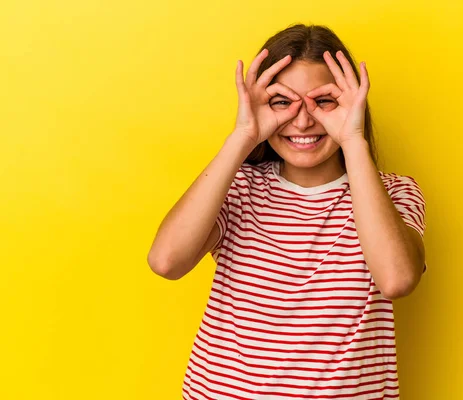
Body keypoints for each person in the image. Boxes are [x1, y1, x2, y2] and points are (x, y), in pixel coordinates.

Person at [148, 23, 427, 400]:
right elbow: (166, 261)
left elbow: (396, 280)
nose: (302, 121)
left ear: (352, 103)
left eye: (323, 100)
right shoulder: (239, 186)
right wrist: (243, 136)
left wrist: (353, 139)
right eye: (283, 101)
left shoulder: (394, 192)